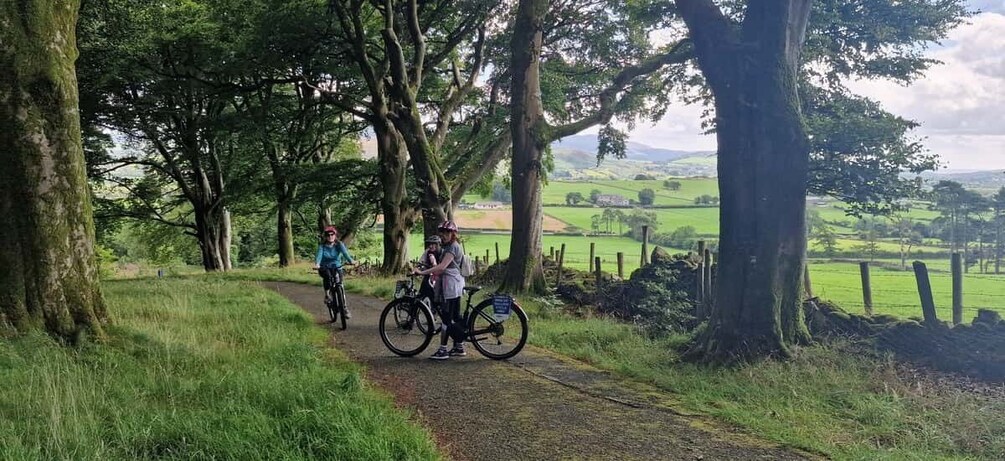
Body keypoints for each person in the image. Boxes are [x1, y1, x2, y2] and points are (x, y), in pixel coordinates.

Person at [413, 221, 466, 360]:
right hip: (452, 285)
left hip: (451, 286)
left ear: (453, 234)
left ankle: (443, 350)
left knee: (446, 317)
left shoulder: (452, 248)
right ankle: (459, 346)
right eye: (441, 232)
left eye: (447, 232)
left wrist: (423, 273)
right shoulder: (449, 246)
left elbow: (442, 267)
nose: (443, 235)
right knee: (454, 317)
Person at [313, 226, 354, 319]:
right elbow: (319, 256)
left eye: (332, 234)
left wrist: (351, 261)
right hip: (324, 267)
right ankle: (327, 295)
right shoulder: (322, 246)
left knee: (340, 284)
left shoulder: (339, 244)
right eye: (328, 235)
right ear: (325, 236)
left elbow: (345, 254)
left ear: (335, 235)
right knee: (327, 276)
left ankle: (344, 308)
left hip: (336, 266)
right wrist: (317, 264)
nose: (330, 236)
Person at [417, 235, 441, 307]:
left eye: (433, 244)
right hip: (428, 275)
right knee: (422, 291)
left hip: (438, 277)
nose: (430, 246)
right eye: (429, 244)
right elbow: (421, 262)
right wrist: (418, 268)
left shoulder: (442, 253)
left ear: (437, 244)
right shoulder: (427, 252)